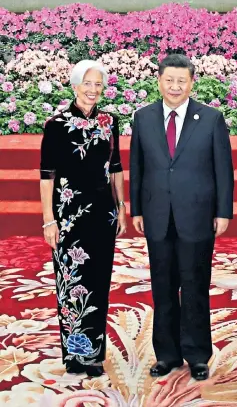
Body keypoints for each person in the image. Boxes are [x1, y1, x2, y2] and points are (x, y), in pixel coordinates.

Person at [130, 54, 234, 380]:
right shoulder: (143, 118)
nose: (175, 86)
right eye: (169, 80)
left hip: (198, 215)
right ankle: (168, 355)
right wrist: (137, 209)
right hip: (157, 214)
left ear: (192, 82)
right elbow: (137, 167)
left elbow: (224, 170)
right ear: (159, 81)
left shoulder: (211, 118)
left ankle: (198, 354)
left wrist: (223, 211)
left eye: (182, 81)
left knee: (195, 286)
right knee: (162, 287)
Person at [40, 60, 127, 377]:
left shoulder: (109, 122)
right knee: (71, 283)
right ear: (75, 86)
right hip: (68, 216)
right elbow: (47, 176)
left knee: (98, 282)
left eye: (98, 85)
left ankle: (93, 354)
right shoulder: (56, 124)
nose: (92, 90)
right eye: (87, 84)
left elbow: (115, 167)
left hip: (102, 213)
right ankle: (74, 355)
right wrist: (49, 219)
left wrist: (122, 207)